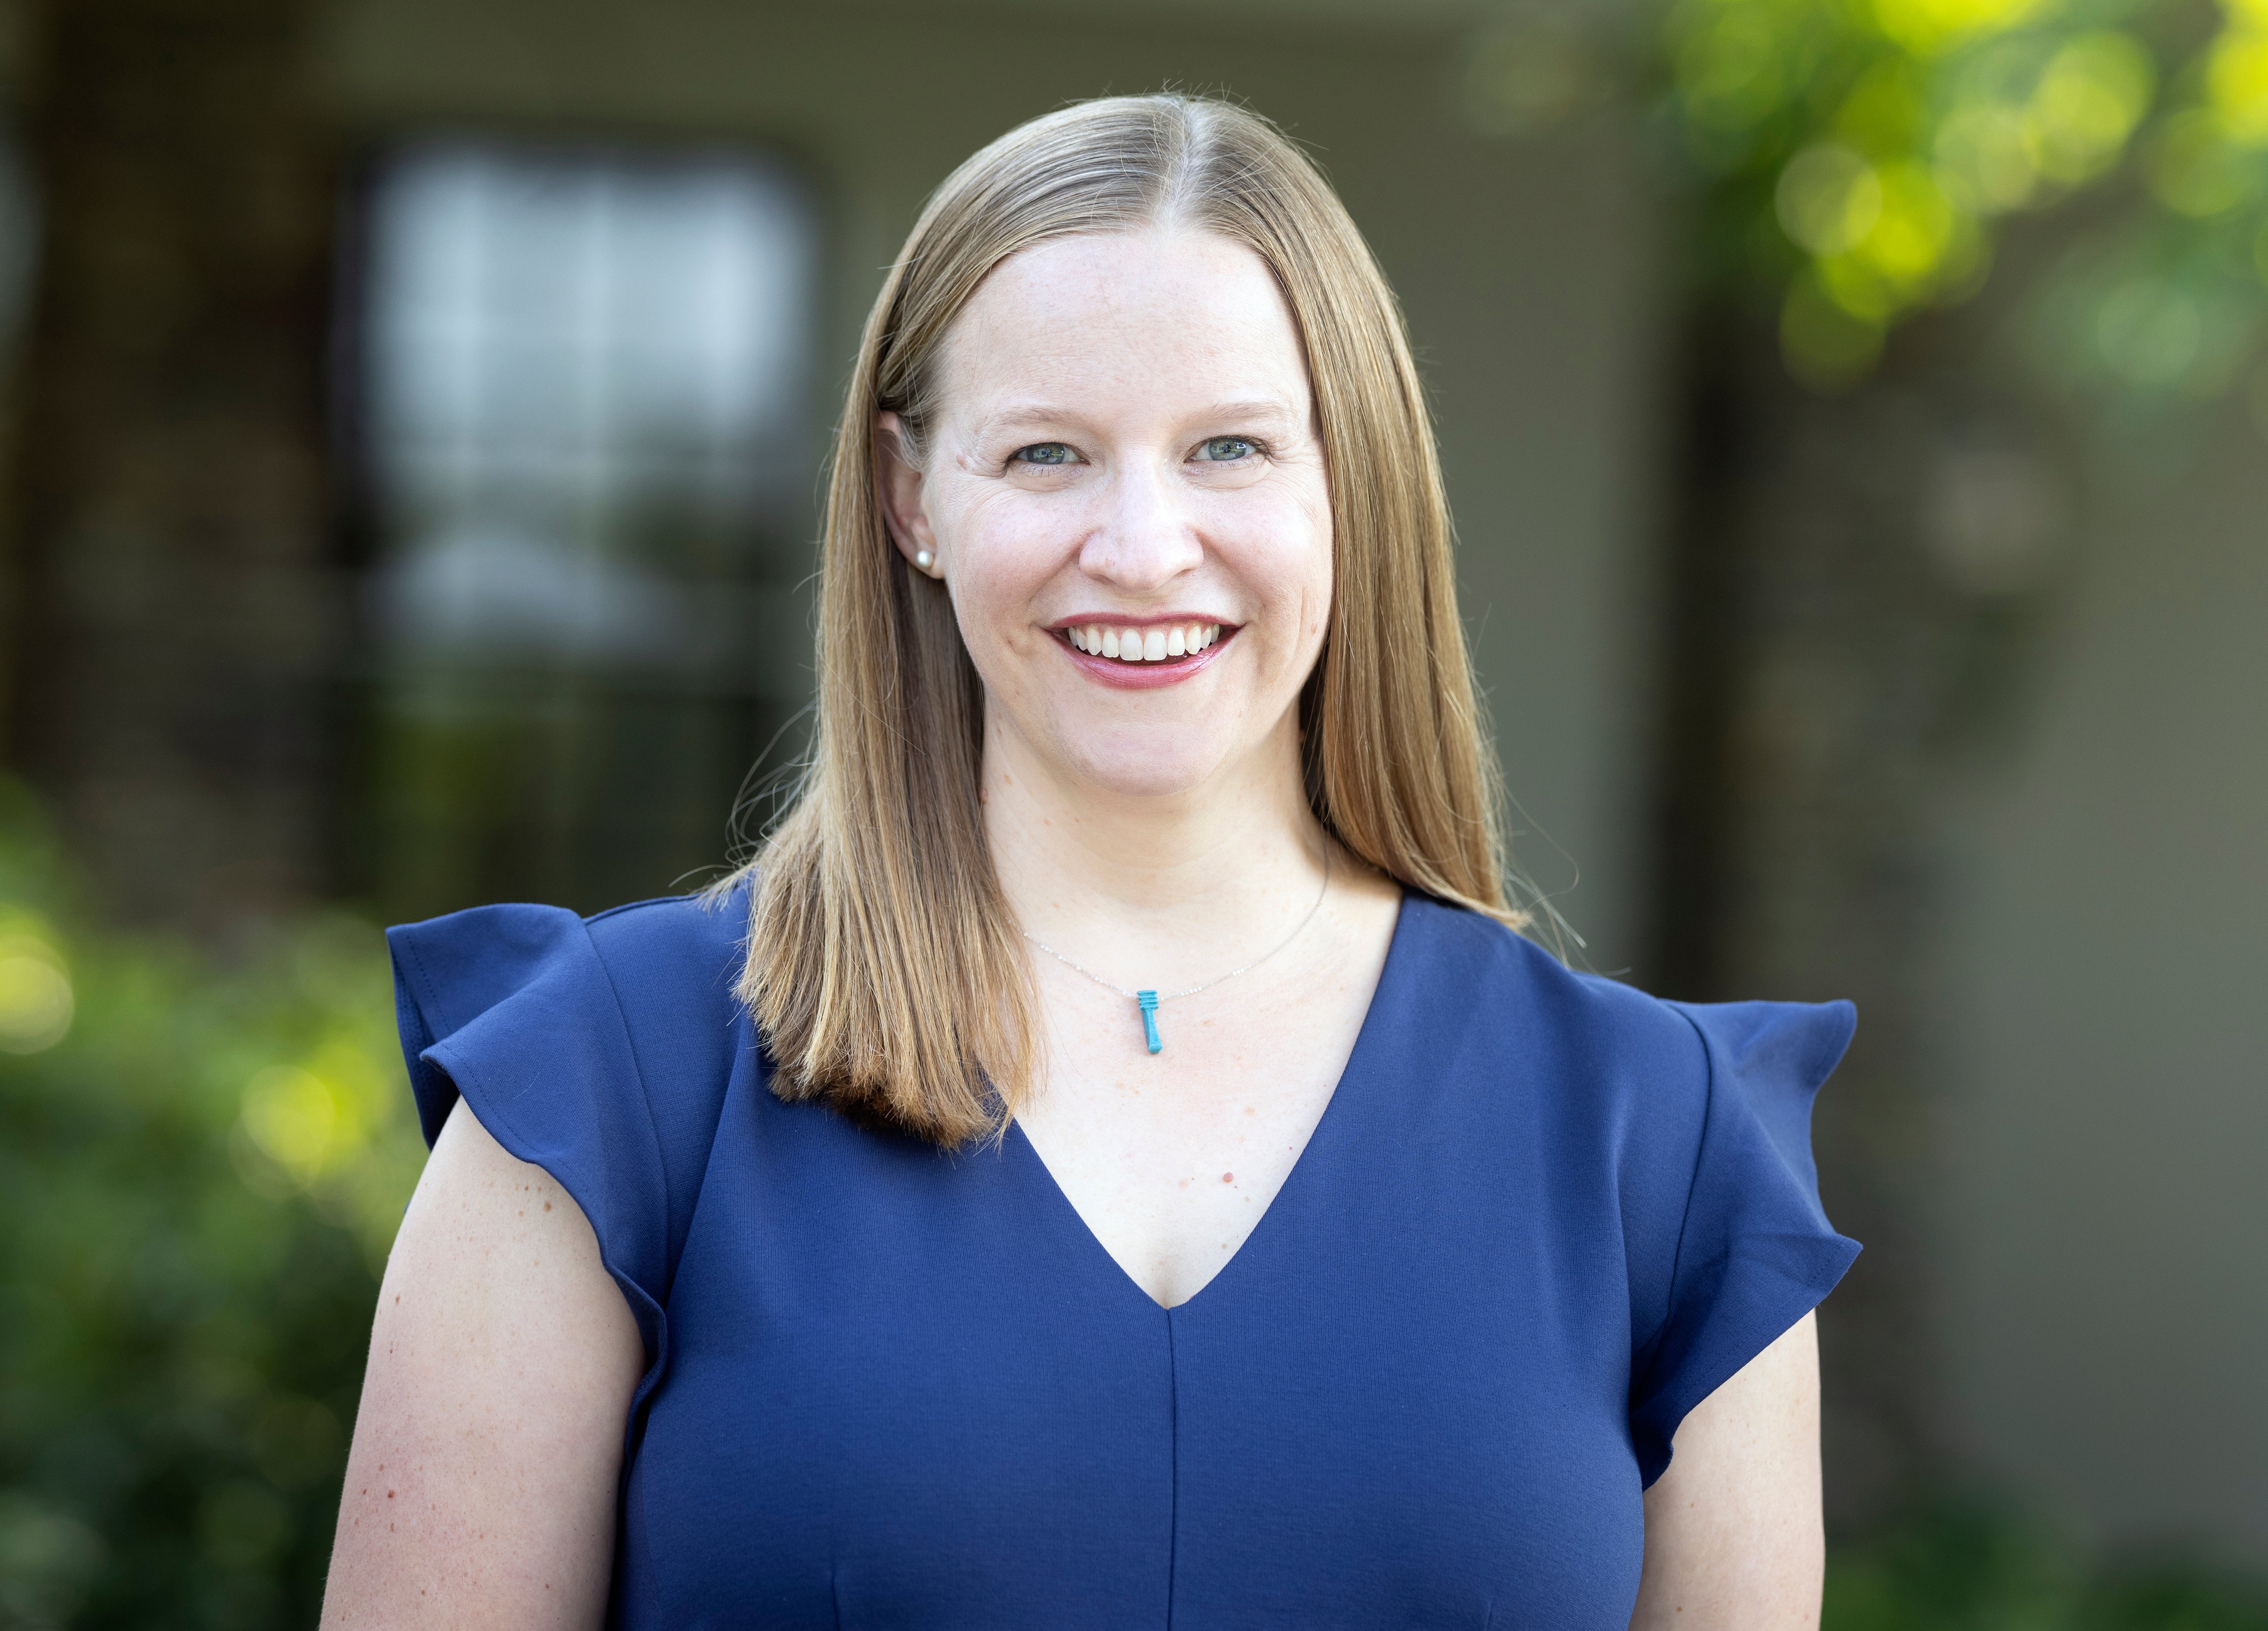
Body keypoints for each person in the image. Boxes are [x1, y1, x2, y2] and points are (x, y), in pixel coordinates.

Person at [321, 95, 1859, 1630]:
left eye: (1230, 449)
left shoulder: (1661, 1151)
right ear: (912, 495)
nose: (1140, 545)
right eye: (1048, 452)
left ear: (1353, 486)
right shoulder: (606, 1089)